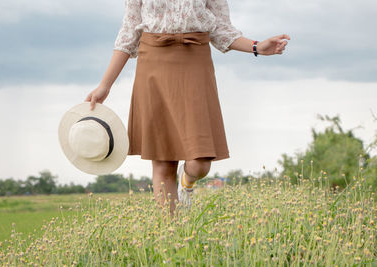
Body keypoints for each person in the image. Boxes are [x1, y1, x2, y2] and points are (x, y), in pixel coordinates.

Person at [85, 0, 290, 213]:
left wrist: (257, 47)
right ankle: (172, 237)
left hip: (196, 62)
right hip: (153, 63)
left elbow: (221, 29)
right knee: (163, 160)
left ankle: (187, 180)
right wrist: (105, 85)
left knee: (201, 162)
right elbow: (128, 32)